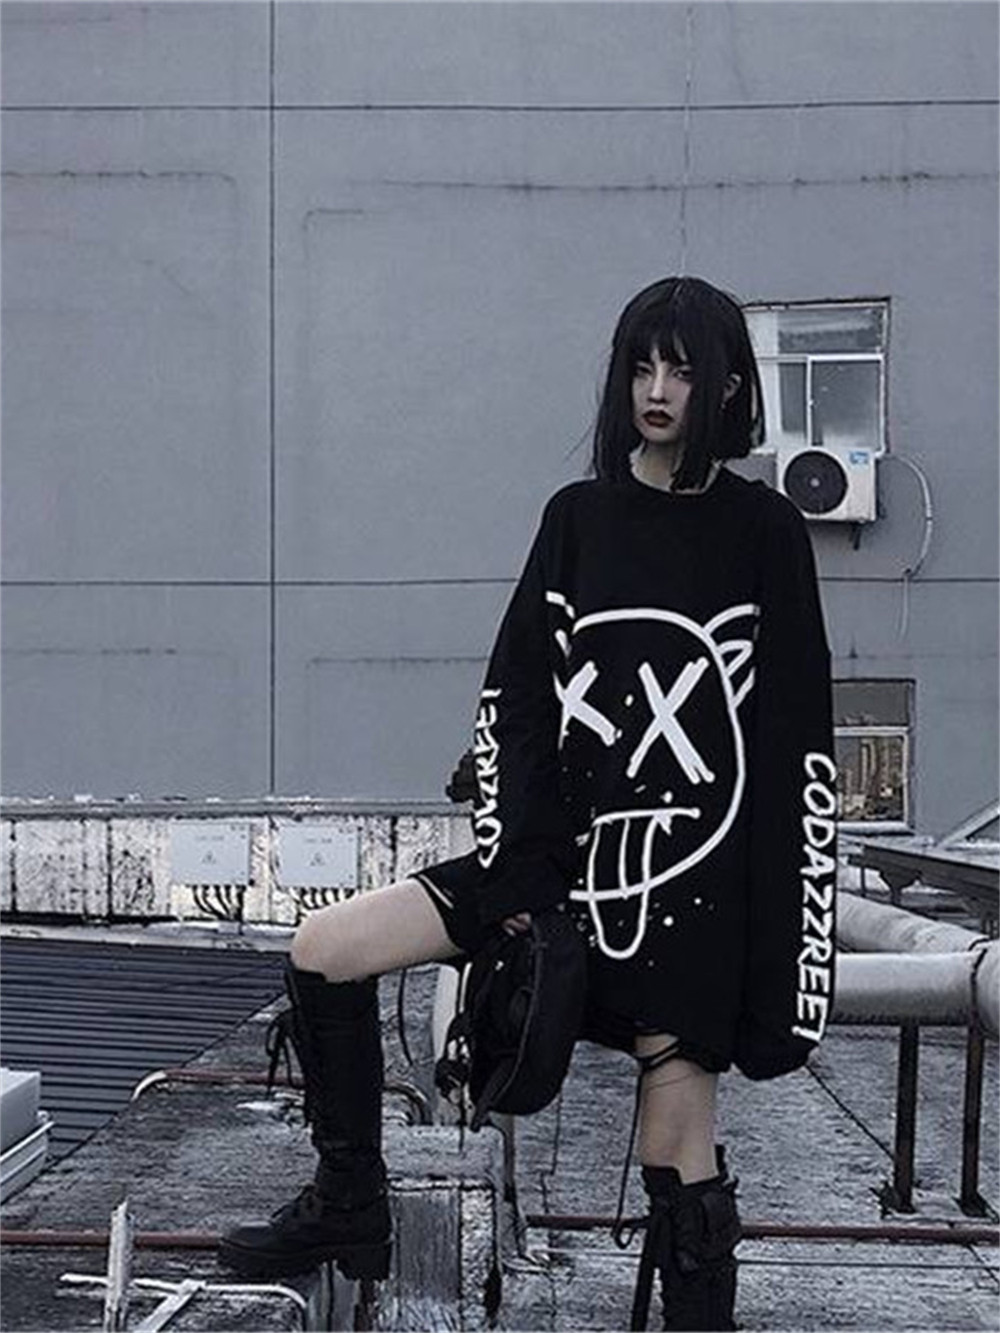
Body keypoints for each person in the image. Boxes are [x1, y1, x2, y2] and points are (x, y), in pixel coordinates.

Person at [219, 276, 836, 1331]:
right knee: (324, 948)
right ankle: (350, 1200)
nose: (657, 390)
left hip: (690, 893)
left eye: (683, 370)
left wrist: (787, 966)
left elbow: (794, 752)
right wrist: (520, 881)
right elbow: (513, 707)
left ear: (728, 387)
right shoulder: (578, 520)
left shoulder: (764, 531)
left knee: (677, 1153)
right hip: (549, 870)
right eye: (641, 366)